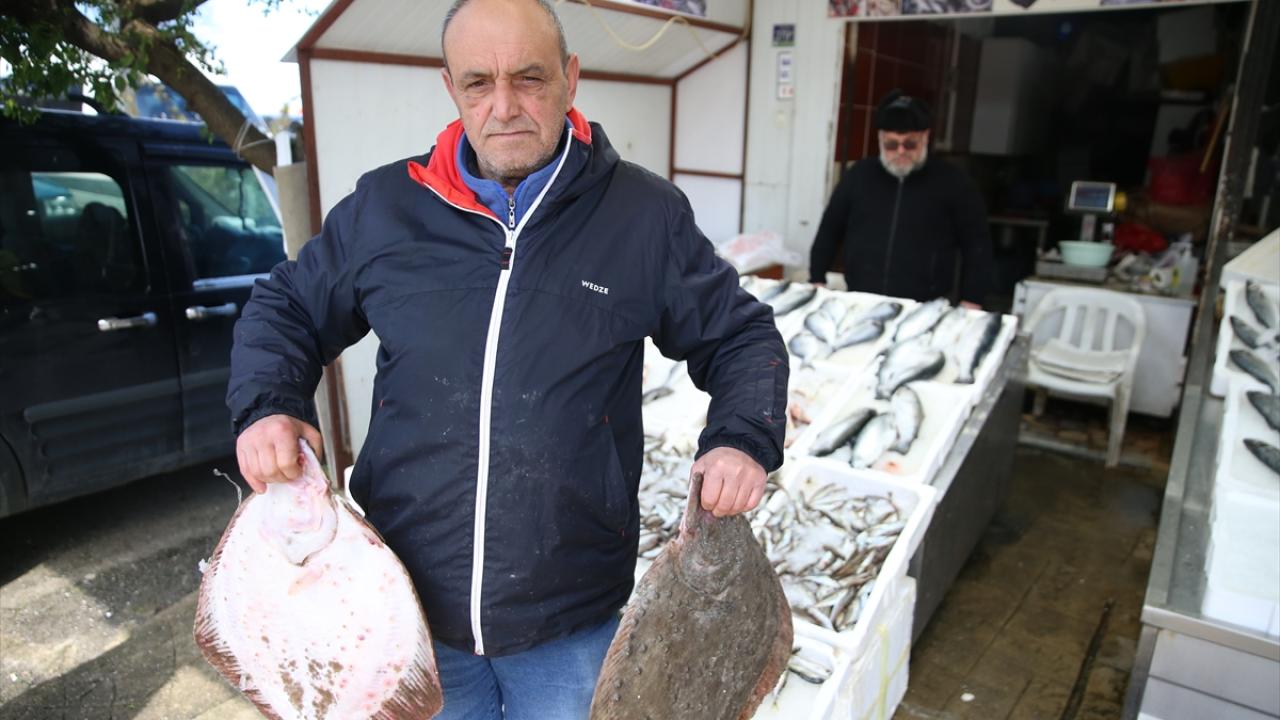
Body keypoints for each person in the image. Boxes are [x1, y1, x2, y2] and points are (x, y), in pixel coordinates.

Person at [225, 0, 789, 717]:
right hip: (405, 614)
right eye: (478, 83)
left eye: (529, 79)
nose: (505, 106)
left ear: (570, 78)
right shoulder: (386, 207)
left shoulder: (642, 216)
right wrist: (269, 404)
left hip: (571, 623)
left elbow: (740, 336)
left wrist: (742, 439)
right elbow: (288, 306)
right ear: (450, 88)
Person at [809, 90, 994, 308]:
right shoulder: (859, 175)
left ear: (925, 137)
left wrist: (972, 299)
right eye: (891, 144)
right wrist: (817, 278)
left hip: (926, 305)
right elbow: (830, 228)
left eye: (910, 144)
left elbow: (977, 244)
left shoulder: (953, 182)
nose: (900, 151)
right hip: (860, 300)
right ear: (880, 139)